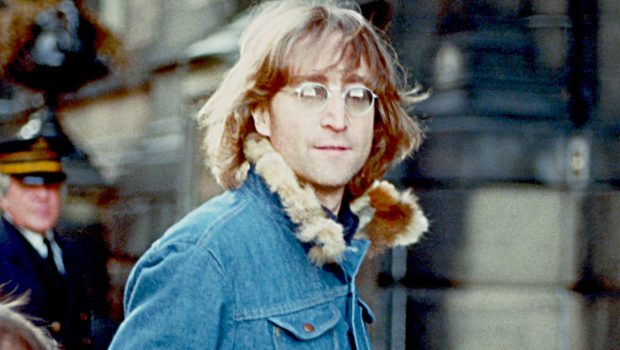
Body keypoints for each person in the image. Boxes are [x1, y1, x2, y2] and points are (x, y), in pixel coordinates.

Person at [110, 0, 429, 349]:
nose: (338, 119)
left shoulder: (341, 245)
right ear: (261, 114)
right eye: (312, 92)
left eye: (357, 94)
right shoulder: (202, 259)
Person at [0, 129, 113, 349]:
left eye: (50, 185)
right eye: (29, 186)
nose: (43, 196)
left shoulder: (76, 249)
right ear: (4, 198)